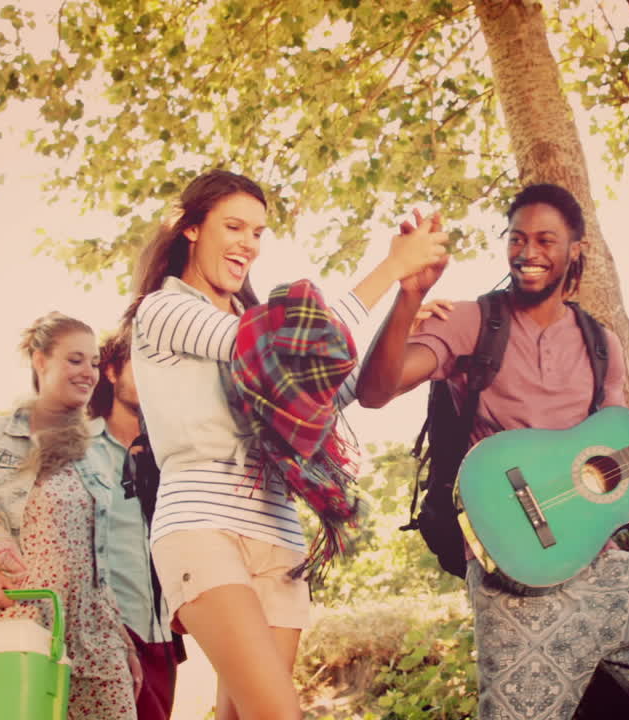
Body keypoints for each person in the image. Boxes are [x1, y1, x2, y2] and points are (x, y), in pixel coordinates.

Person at [356, 183, 629, 720]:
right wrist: (408, 296)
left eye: (545, 240)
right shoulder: (471, 321)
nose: (528, 252)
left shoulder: (601, 344)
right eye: (516, 238)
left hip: (602, 567)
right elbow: (375, 391)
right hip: (516, 573)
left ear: (575, 249)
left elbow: (620, 455)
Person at [127, 168, 448, 720]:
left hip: (278, 536)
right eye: (234, 227)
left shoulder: (252, 319)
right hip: (202, 526)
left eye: (257, 232)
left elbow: (341, 390)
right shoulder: (164, 310)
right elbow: (288, 348)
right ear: (191, 229)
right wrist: (389, 266)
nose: (248, 244)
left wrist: (405, 301)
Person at [0, 312, 138, 719]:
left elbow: (98, 557)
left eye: (94, 362)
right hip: (20, 621)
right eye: (75, 359)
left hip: (94, 633)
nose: (88, 372)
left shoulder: (95, 451)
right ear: (40, 360)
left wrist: (123, 640)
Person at [87, 331, 182, 720]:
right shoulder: (77, 448)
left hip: (163, 633)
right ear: (110, 371)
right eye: (139, 363)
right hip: (105, 632)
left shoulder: (173, 452)